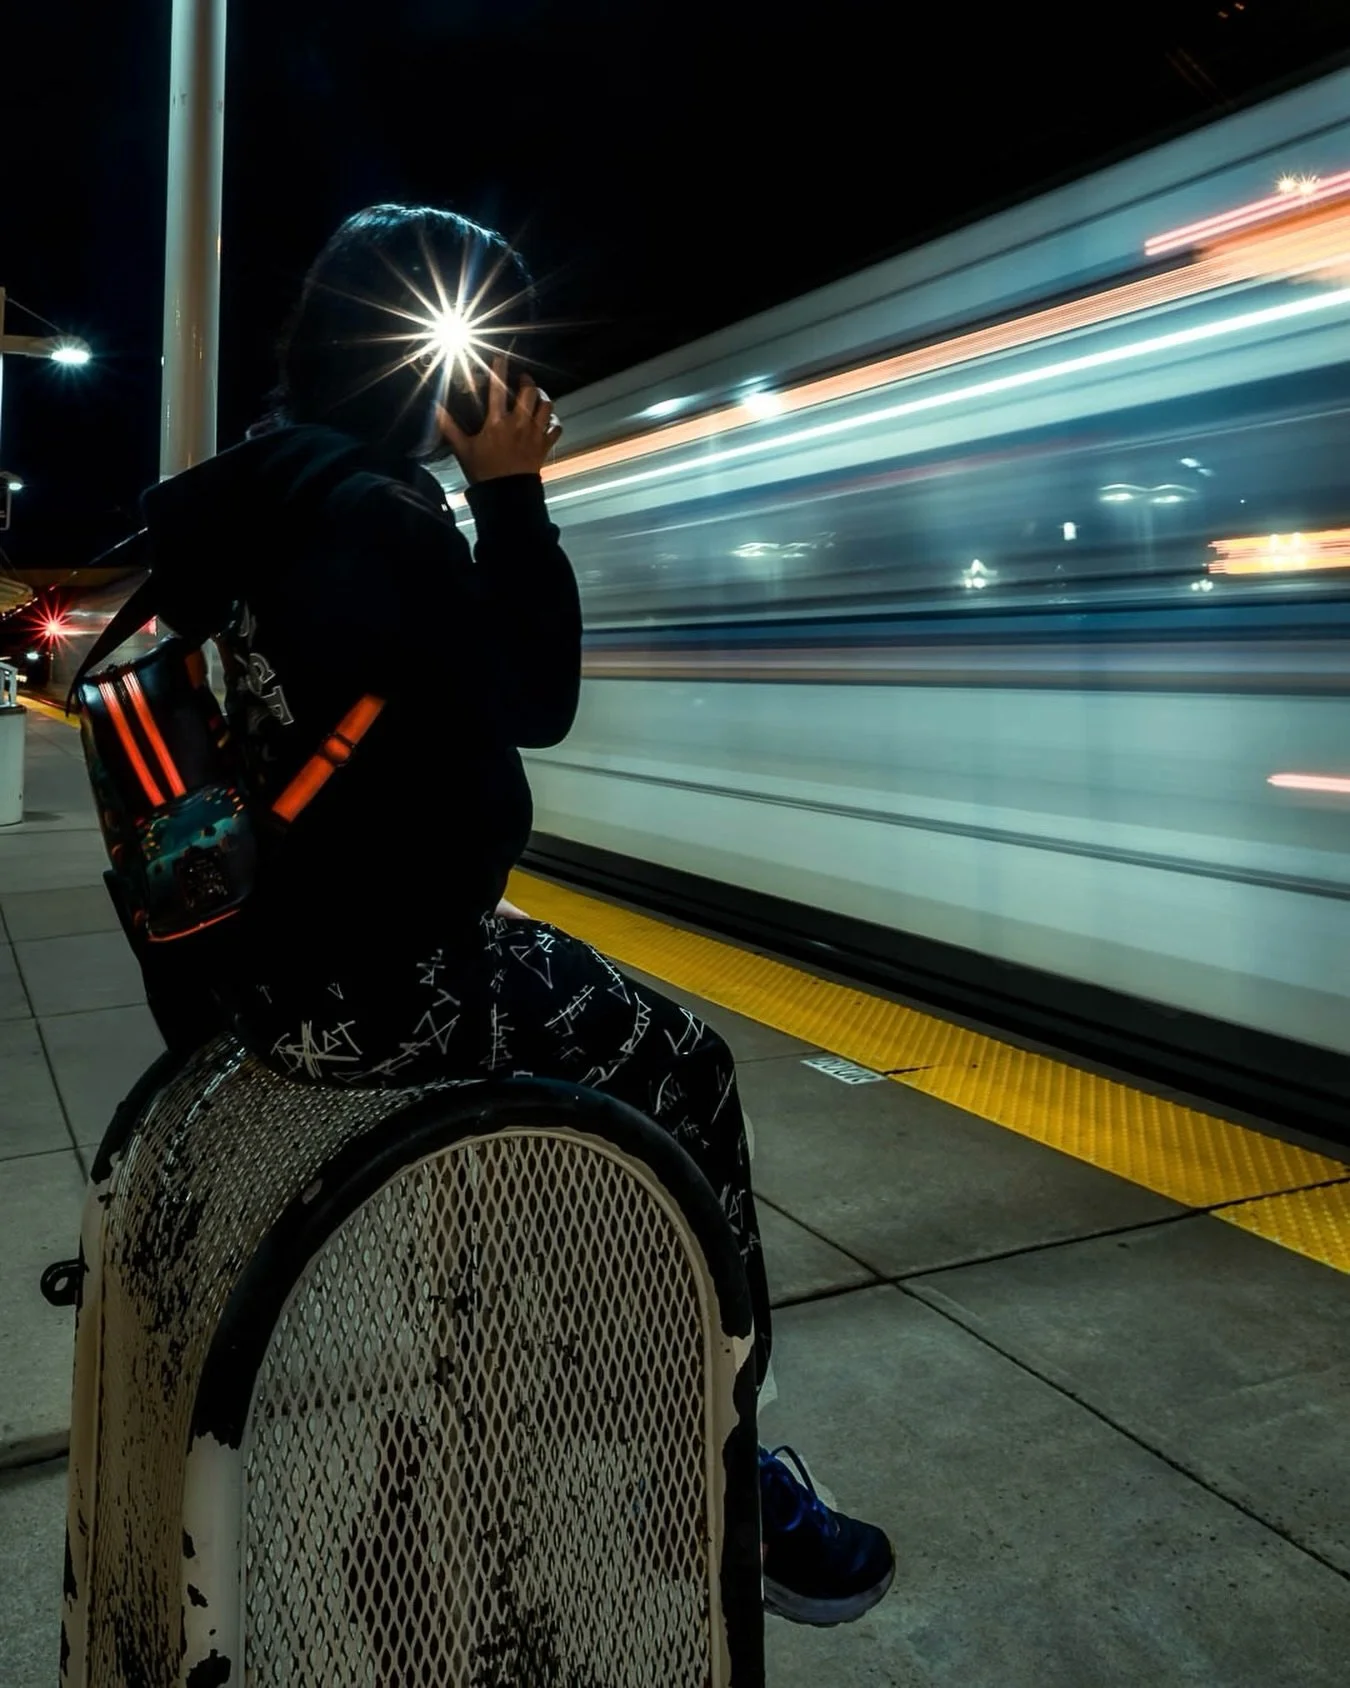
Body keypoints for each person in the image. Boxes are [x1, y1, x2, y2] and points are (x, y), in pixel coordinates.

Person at [136, 203, 895, 1629]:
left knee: (509, 1220)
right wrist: (512, 493)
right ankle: (716, 1478)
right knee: (682, 1062)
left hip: (273, 964)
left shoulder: (262, 491)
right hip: (378, 977)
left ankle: (429, 1509)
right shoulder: (373, 511)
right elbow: (532, 700)